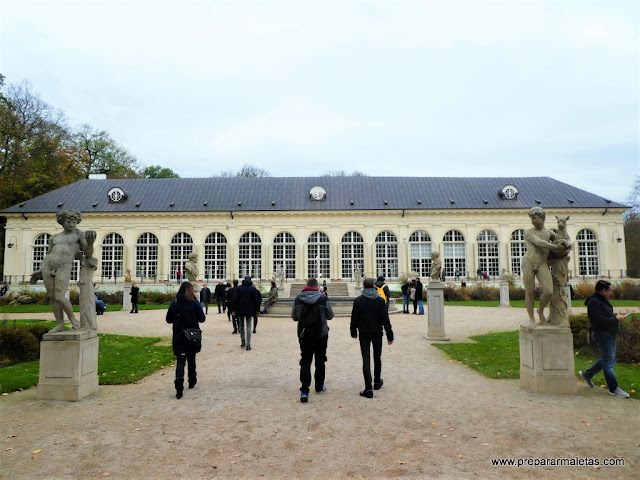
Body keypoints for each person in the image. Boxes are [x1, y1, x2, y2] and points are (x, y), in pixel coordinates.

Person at [29, 210, 96, 333]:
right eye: (68, 222)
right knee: (52, 297)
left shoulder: (79, 234)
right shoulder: (54, 237)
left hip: (64, 267)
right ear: (62, 222)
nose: (71, 225)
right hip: (47, 267)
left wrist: (90, 243)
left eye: (74, 222)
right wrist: (40, 271)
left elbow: (88, 253)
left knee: (59, 296)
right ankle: (60, 324)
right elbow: (49, 254)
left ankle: (73, 320)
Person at [579, 280, 630, 398]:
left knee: (607, 358)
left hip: (607, 333)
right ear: (603, 291)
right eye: (609, 291)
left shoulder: (600, 301)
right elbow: (599, 321)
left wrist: (616, 317)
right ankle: (613, 388)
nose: (611, 293)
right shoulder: (595, 302)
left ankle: (588, 374)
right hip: (602, 334)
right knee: (609, 362)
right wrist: (616, 319)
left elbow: (605, 315)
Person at [521, 207, 569, 326]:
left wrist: (564, 237)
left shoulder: (549, 233)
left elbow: (561, 239)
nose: (532, 220)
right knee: (529, 291)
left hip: (542, 263)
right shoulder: (529, 232)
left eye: (534, 217)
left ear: (542, 218)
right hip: (528, 262)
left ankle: (540, 310)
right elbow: (539, 242)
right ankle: (531, 319)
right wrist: (556, 247)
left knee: (548, 291)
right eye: (531, 218)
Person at [291, 277, 334, 403]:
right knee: (320, 360)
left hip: (304, 335)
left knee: (305, 361)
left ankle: (304, 390)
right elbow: (330, 315)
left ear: (306, 285)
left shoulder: (298, 299)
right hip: (321, 334)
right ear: (317, 287)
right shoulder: (323, 298)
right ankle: (319, 386)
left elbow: (294, 317)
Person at [350, 277, 394, 398]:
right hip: (377, 333)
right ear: (374, 287)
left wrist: (353, 331)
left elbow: (354, 318)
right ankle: (377, 381)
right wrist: (390, 335)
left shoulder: (358, 301)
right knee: (377, 357)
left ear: (363, 287)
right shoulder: (380, 301)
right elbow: (385, 319)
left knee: (366, 359)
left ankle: (368, 388)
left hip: (364, 333)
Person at [165, 281, 206, 399]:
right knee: (191, 357)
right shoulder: (195, 303)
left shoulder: (175, 303)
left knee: (181, 361)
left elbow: (168, 319)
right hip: (192, 334)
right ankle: (192, 379)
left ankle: (179, 387)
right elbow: (202, 318)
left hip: (179, 335)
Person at [231, 276, 261, 351]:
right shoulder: (253, 289)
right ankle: (248, 344)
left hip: (240, 309)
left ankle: (243, 341)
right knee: (249, 326)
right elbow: (257, 300)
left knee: (241, 325)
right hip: (250, 310)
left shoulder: (239, 288)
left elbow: (234, 299)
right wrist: (257, 310)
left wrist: (233, 309)